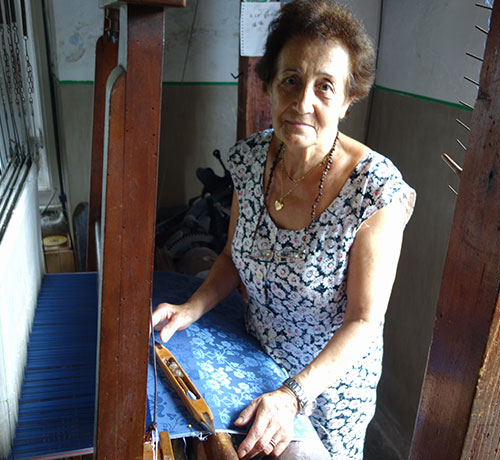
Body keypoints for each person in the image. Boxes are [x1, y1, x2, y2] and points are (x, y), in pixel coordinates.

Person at [151, 1, 416, 458]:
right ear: (270, 85)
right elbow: (233, 258)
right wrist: (191, 308)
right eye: (290, 80)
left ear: (349, 100)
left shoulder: (375, 192)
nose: (303, 102)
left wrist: (294, 394)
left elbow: (364, 320)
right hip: (256, 360)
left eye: (325, 87)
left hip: (327, 389)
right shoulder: (252, 160)